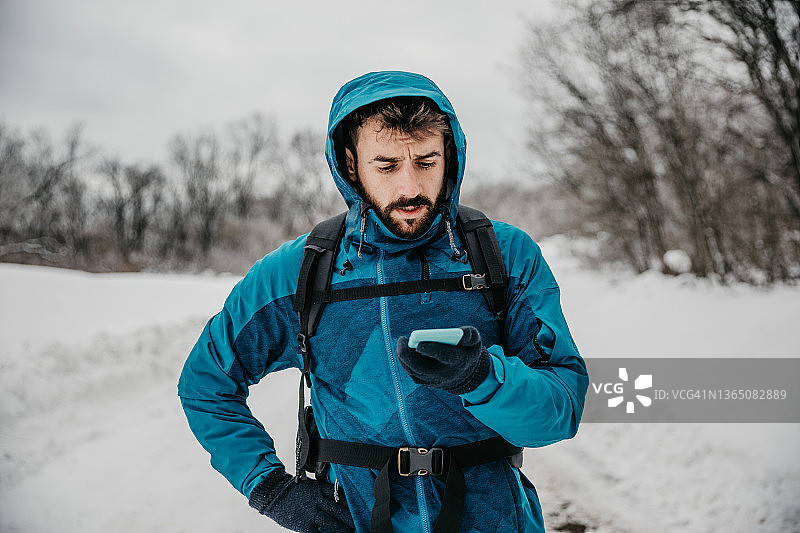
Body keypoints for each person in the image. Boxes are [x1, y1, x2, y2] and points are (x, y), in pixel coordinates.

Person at [178, 71, 588, 533]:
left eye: (426, 162)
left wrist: (483, 377)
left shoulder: (503, 256)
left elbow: (561, 411)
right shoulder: (299, 272)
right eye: (388, 166)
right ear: (351, 164)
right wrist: (270, 488)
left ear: (449, 156)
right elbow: (206, 383)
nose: (410, 187)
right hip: (358, 519)